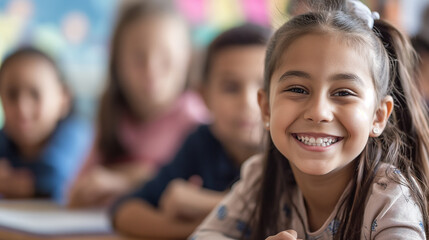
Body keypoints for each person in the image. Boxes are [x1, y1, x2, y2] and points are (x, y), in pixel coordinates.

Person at [191, 1, 429, 239]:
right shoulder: (261, 179)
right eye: (297, 89)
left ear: (378, 116)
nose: (318, 112)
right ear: (266, 108)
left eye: (343, 93)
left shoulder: (390, 198)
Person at [110, 23, 270, 239]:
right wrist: (202, 229)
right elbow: (125, 211)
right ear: (204, 96)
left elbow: (280, 212)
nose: (249, 103)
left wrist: (203, 204)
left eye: (264, 88)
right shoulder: (202, 143)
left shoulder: (290, 149)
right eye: (231, 87)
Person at [67, 0, 208, 208]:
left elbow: (193, 190)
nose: (151, 70)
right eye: (138, 57)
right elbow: (74, 191)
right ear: (117, 63)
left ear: (187, 59)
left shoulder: (196, 121)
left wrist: (123, 180)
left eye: (166, 57)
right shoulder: (113, 117)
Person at [0, 47, 92, 203]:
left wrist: (15, 184)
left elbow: (55, 181)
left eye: (35, 94)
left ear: (63, 98)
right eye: (12, 94)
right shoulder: (5, 137)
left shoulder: (77, 134)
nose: (22, 108)